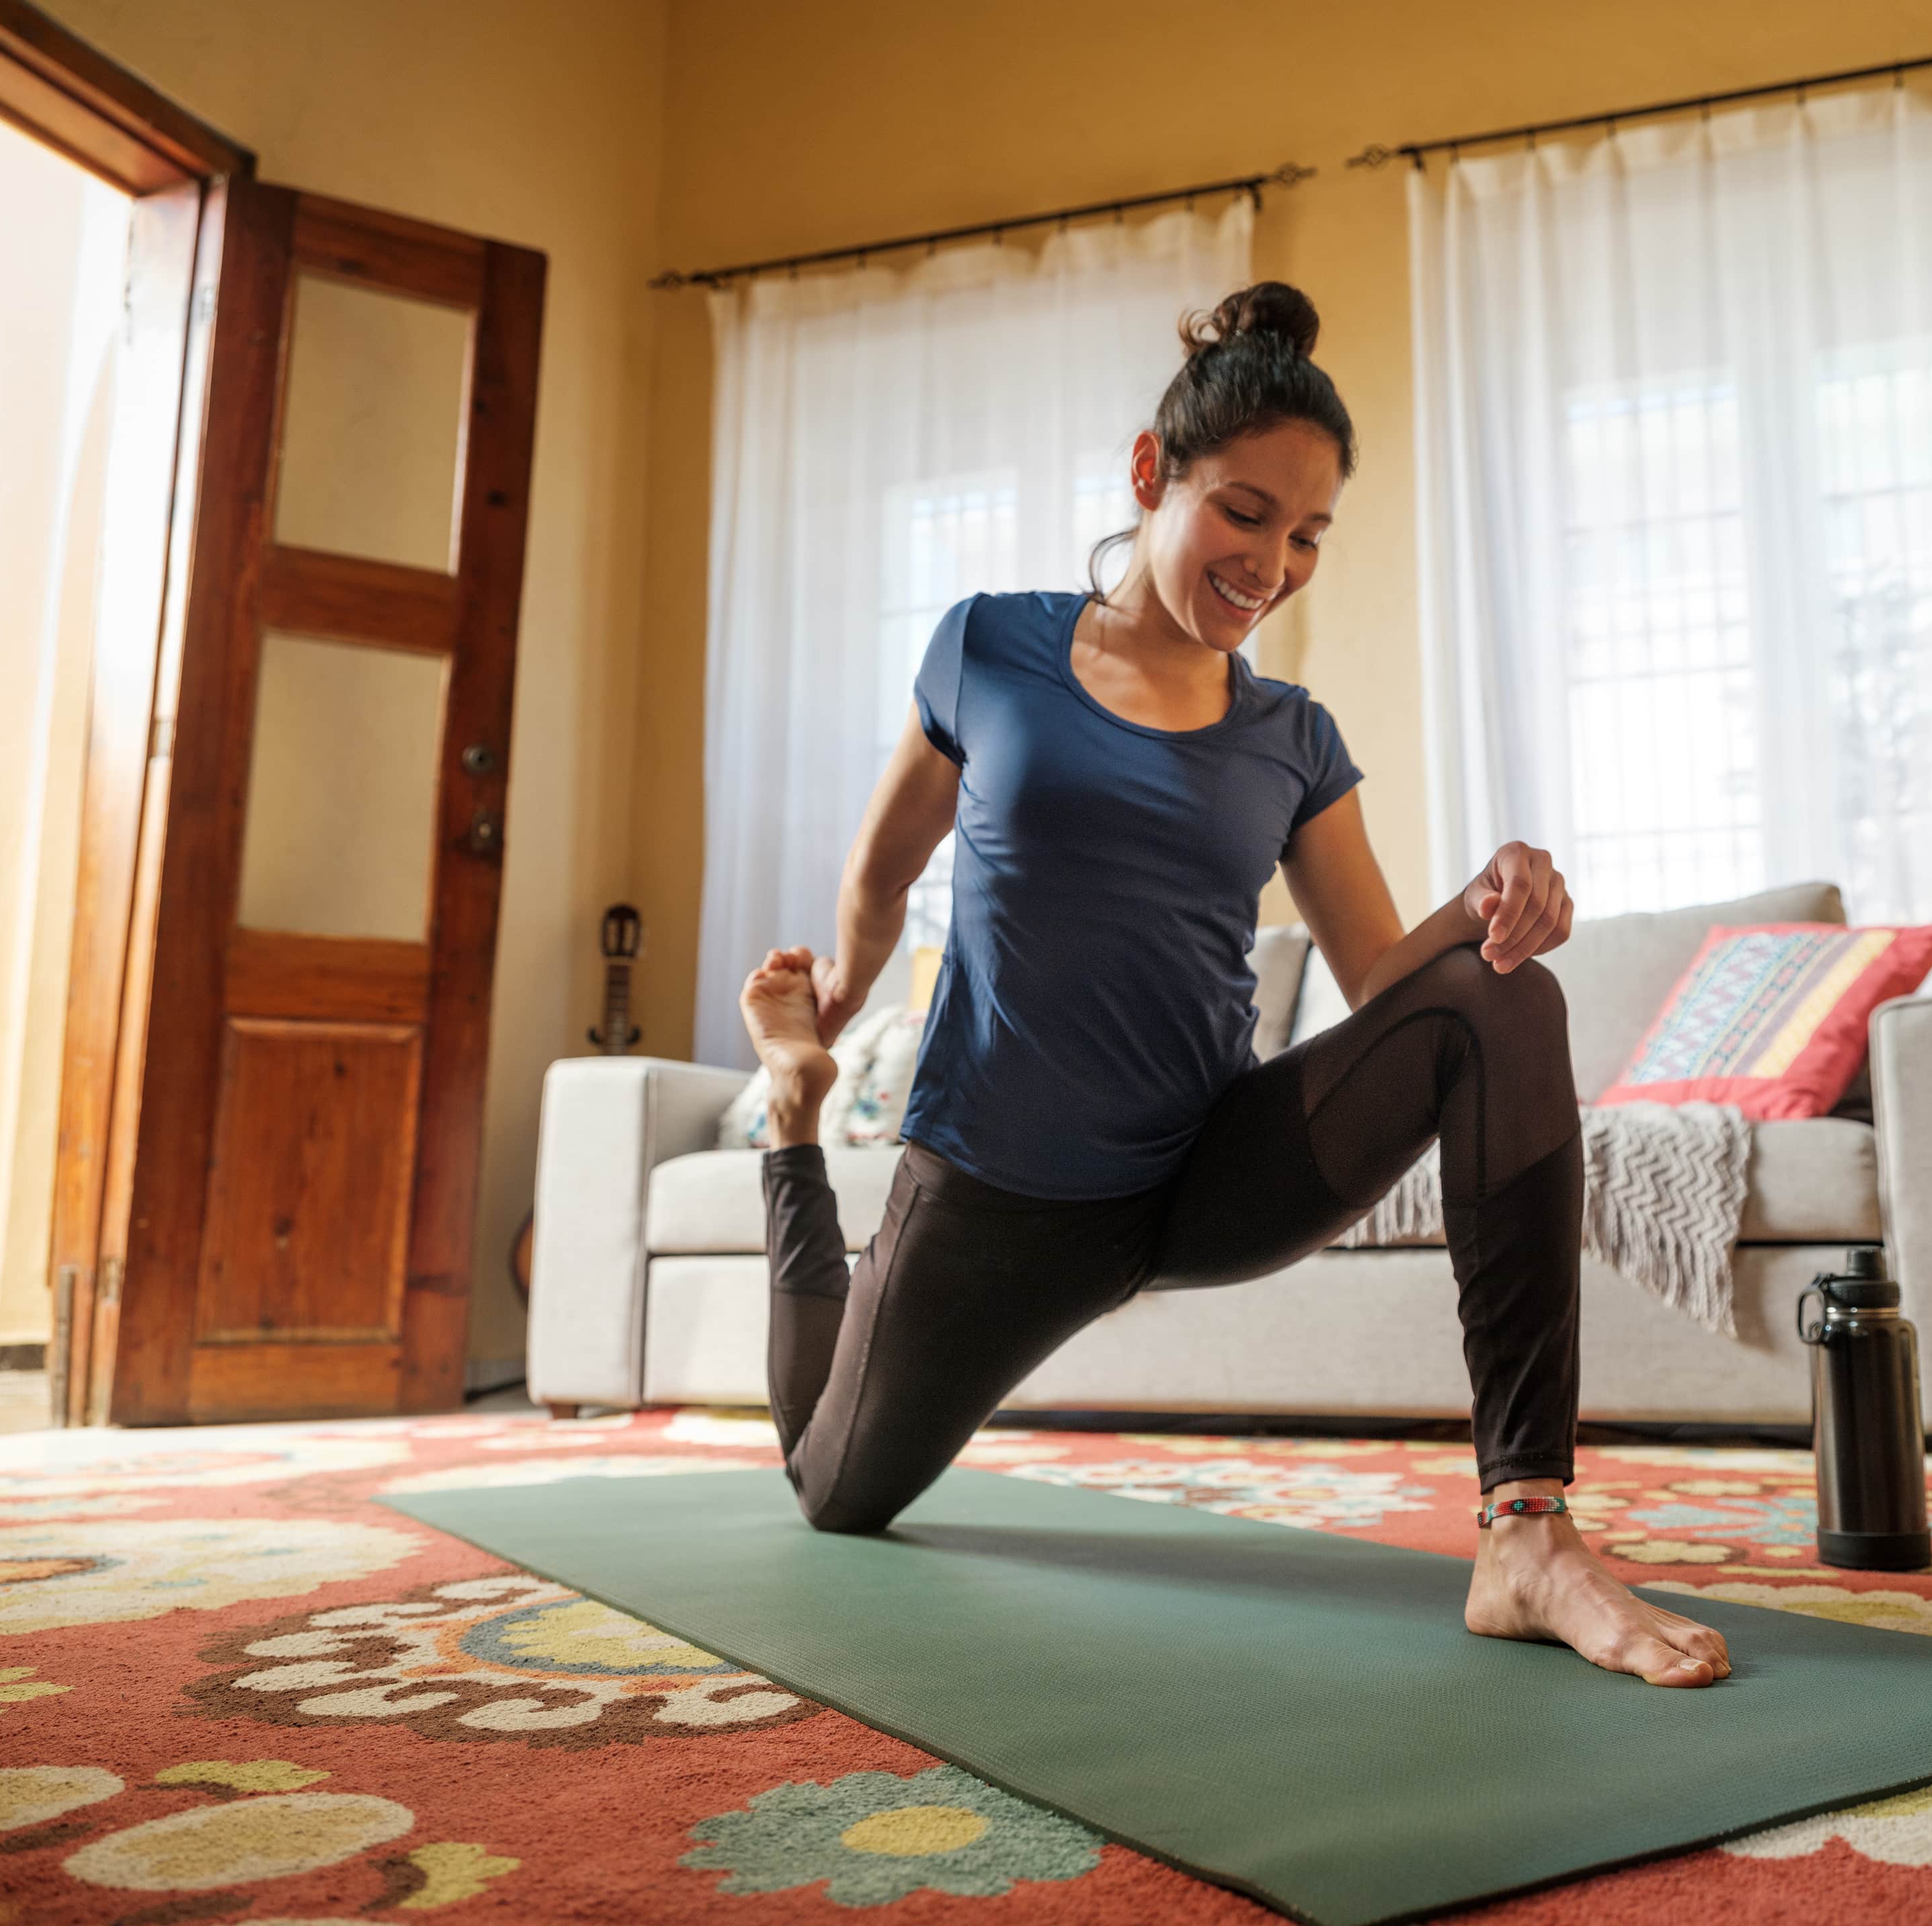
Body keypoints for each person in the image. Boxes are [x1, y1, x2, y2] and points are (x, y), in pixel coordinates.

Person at [738, 281, 1731, 1689]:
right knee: (832, 1488)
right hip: (997, 1195)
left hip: (1202, 1172)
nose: (1273, 563)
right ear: (1153, 476)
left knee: (1504, 999)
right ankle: (790, 1123)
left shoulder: (1292, 737)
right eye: (1245, 514)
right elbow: (886, 862)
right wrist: (831, 1002)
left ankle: (1526, 1529)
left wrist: (1495, 889)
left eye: (1309, 534)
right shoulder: (989, 649)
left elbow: (1388, 976)